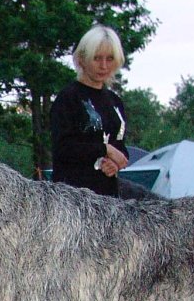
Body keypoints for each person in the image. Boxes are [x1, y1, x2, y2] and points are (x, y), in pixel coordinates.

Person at [50, 24, 135, 196]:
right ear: (82, 59)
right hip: (71, 199)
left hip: (109, 200)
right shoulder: (68, 98)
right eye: (97, 58)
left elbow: (120, 146)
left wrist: (115, 163)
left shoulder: (115, 102)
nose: (103, 66)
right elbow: (62, 149)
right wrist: (105, 149)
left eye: (110, 59)